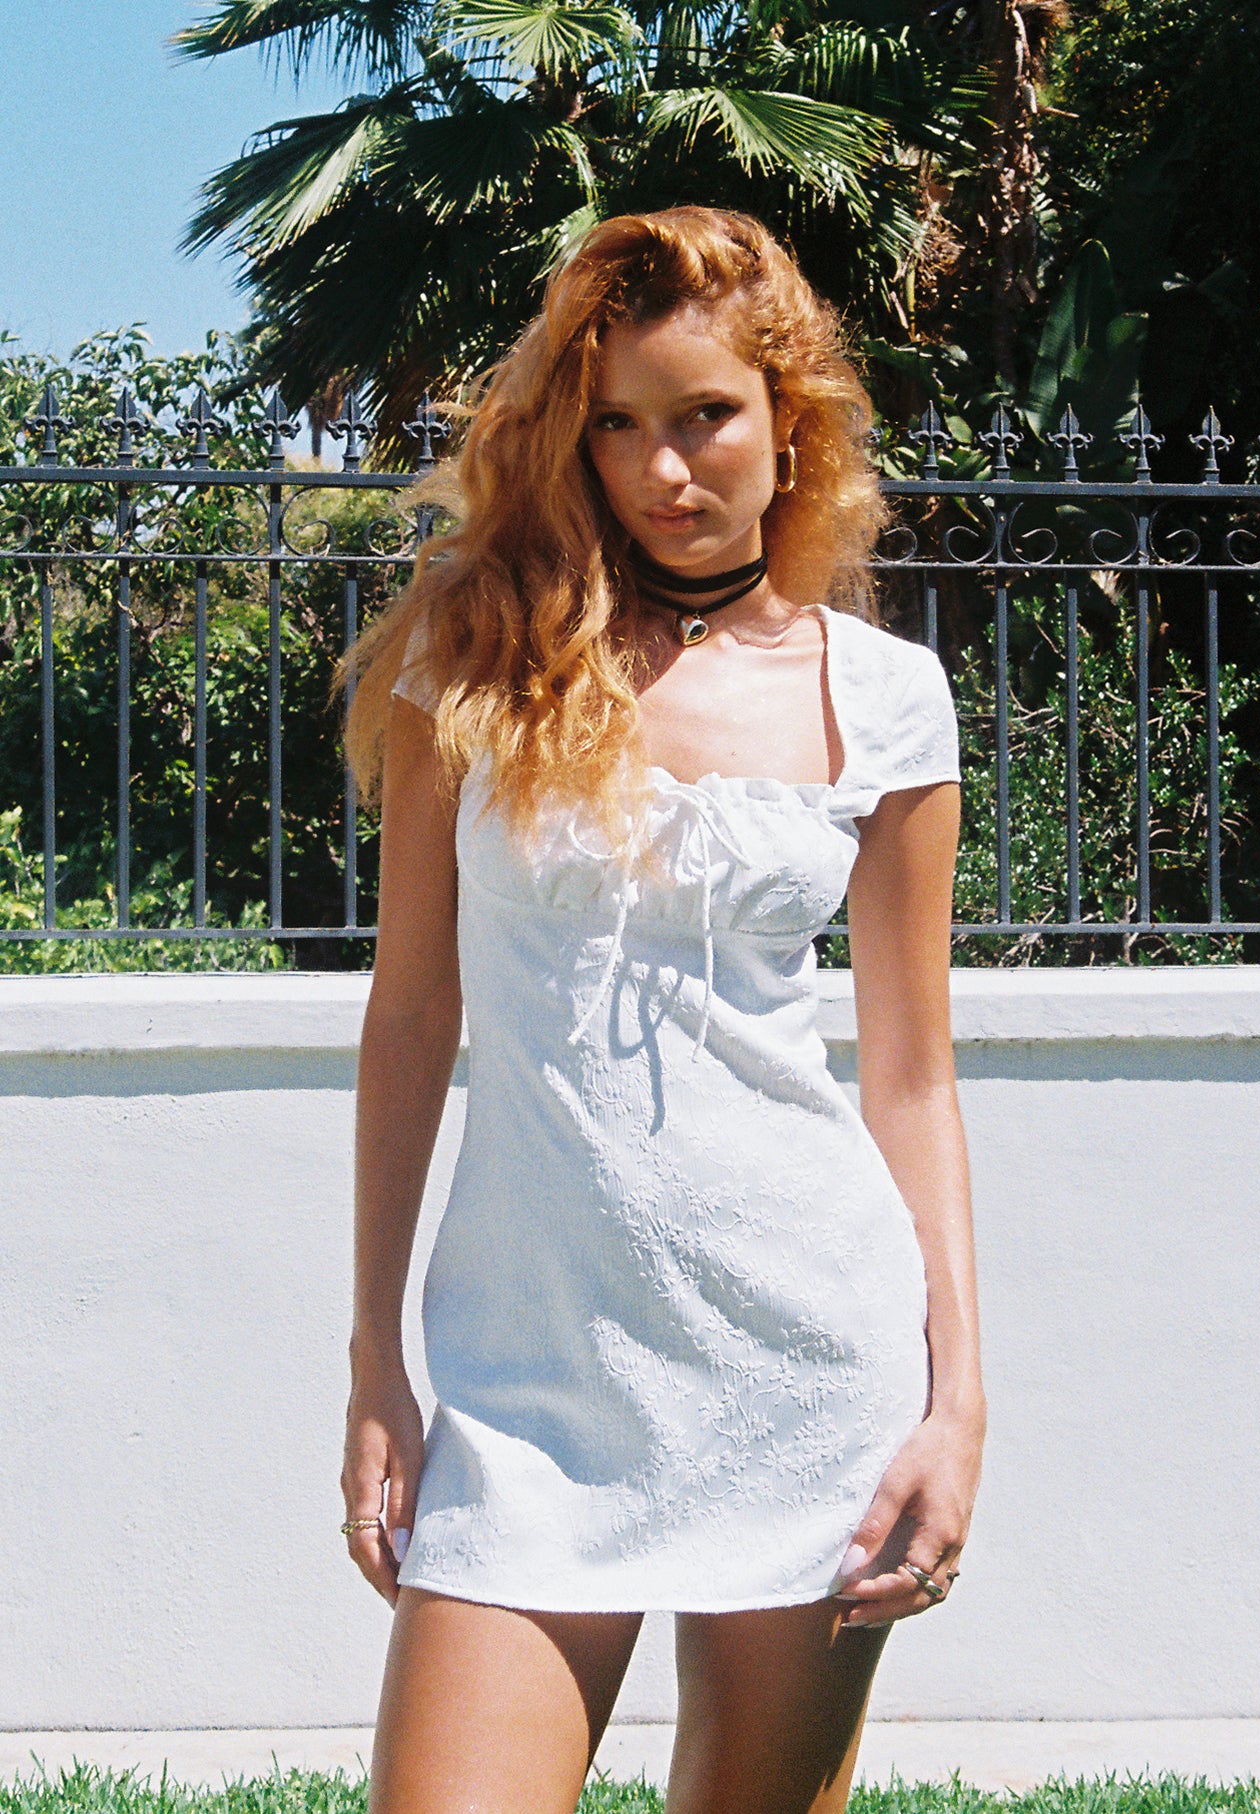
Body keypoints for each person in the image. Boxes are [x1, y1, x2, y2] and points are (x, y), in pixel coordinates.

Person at [334, 205, 986, 1814]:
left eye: (704, 415)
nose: (662, 468)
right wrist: (374, 1359)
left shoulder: (883, 698)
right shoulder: (472, 659)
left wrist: (956, 1400)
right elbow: (411, 1015)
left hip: (807, 1367)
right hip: (527, 1388)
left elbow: (911, 1078)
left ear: (790, 421)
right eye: (617, 424)